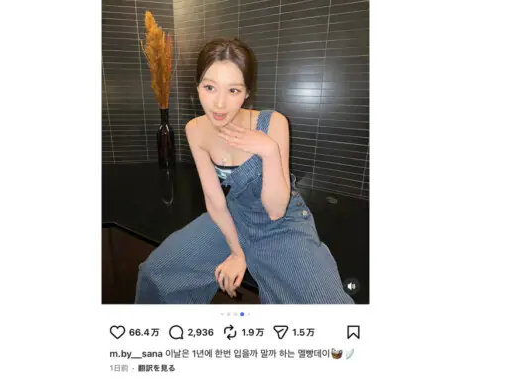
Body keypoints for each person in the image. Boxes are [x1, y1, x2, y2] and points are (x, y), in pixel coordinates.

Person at [135, 38, 354, 304]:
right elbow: (215, 201)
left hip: (282, 225)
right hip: (233, 215)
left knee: (323, 306)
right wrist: (237, 252)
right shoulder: (195, 129)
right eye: (210, 87)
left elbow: (276, 210)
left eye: (233, 90)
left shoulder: (273, 123)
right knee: (157, 273)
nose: (219, 104)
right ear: (198, 86)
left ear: (247, 92)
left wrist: (269, 151)